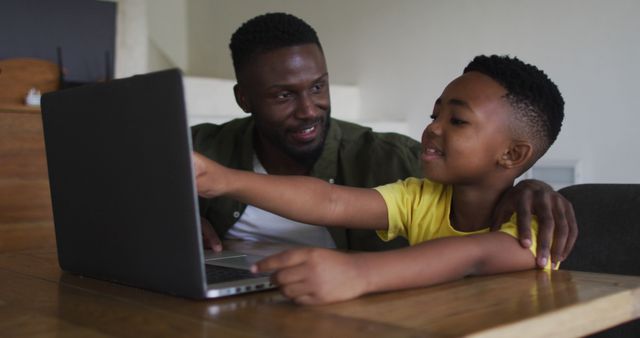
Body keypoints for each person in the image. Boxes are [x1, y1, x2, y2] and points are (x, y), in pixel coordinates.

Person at [191, 12, 577, 268]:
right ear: (244, 99)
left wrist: (355, 274)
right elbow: (331, 200)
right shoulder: (418, 198)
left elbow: (468, 257)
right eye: (434, 114)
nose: (432, 129)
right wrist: (220, 180)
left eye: (457, 120)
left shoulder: (529, 231)